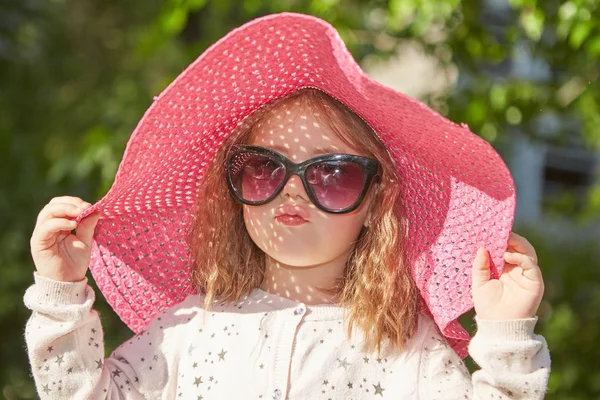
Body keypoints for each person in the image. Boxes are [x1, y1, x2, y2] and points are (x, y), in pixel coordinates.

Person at [24, 13, 550, 399]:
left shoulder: (405, 346)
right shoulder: (187, 329)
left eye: (334, 174)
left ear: (377, 202)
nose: (292, 190)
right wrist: (61, 292)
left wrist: (504, 334)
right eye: (264, 168)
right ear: (234, 187)